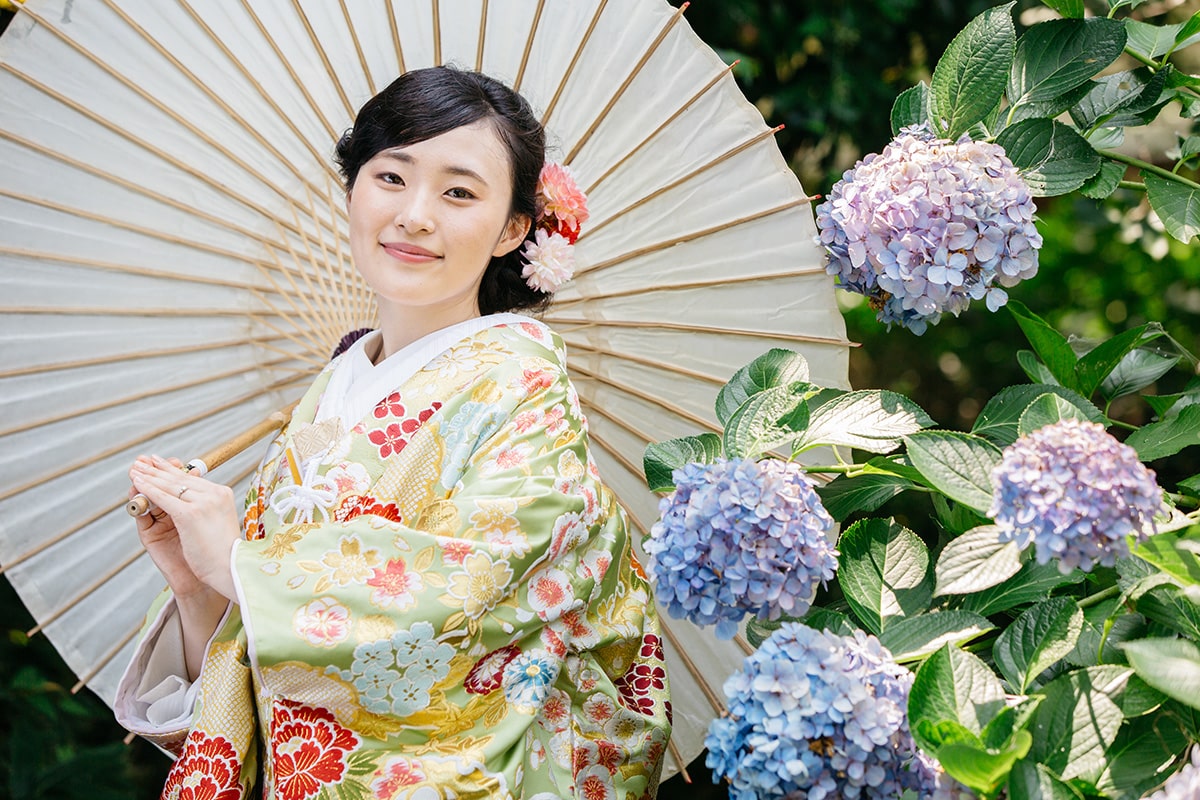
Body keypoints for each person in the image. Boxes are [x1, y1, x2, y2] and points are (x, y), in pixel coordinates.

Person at [118, 66, 671, 800]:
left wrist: (243, 567)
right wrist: (202, 592)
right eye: (390, 177)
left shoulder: (525, 389)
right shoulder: (334, 390)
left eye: (459, 192)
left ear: (513, 228)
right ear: (353, 188)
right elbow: (263, 667)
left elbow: (464, 602)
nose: (414, 215)